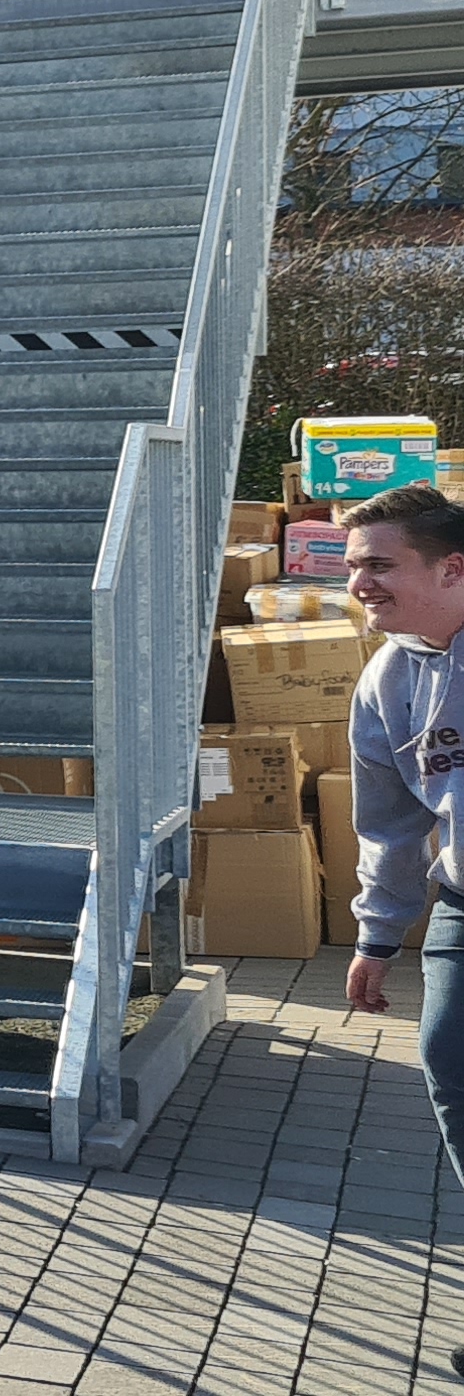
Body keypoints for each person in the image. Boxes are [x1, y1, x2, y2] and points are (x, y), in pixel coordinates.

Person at [339, 480, 464, 1380]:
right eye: (353, 568)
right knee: (449, 1068)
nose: (360, 584)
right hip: (462, 904)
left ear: (452, 569)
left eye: (380, 565)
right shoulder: (388, 678)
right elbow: (388, 823)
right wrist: (377, 935)